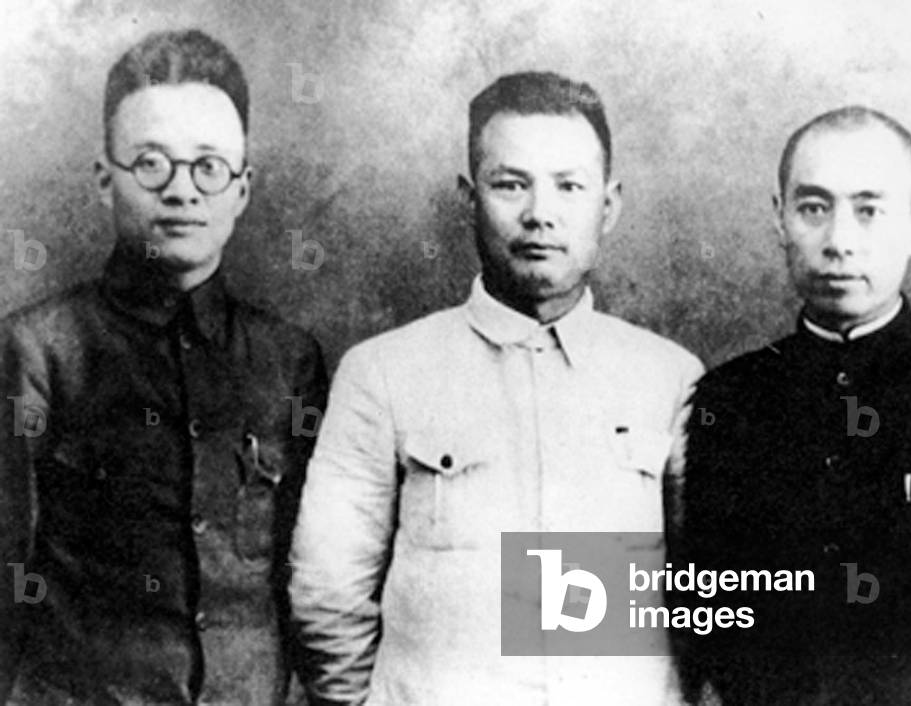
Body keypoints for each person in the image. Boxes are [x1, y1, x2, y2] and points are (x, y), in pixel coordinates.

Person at [288, 71, 704, 706]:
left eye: (569, 186)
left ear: (609, 205)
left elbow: (707, 596)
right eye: (511, 184)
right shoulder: (382, 373)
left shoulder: (670, 379)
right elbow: (327, 590)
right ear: (468, 199)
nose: (540, 213)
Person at [0, 29, 328, 705]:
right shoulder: (37, 350)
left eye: (209, 167)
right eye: (151, 164)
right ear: (104, 179)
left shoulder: (289, 360)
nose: (182, 192)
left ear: (242, 188)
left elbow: (313, 574)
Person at [667, 106, 911, 704]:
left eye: (869, 210)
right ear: (779, 218)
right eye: (813, 208)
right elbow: (700, 617)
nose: (838, 242)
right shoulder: (727, 400)